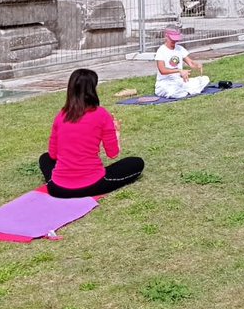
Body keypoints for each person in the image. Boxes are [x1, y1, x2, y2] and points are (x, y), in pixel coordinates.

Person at [39, 68, 144, 198]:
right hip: (92, 185)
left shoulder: (61, 116)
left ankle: (64, 180)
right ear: (92, 90)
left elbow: (53, 155)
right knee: (136, 163)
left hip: (57, 189)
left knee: (45, 158)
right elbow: (113, 153)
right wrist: (116, 133)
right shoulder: (101, 114)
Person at [152, 28, 210, 100]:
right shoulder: (161, 51)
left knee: (205, 79)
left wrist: (197, 65)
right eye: (172, 39)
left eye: (176, 39)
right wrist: (179, 71)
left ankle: (186, 91)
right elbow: (162, 70)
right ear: (166, 37)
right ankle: (188, 91)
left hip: (179, 81)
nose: (174, 41)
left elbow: (190, 63)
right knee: (173, 92)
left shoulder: (180, 48)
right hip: (165, 83)